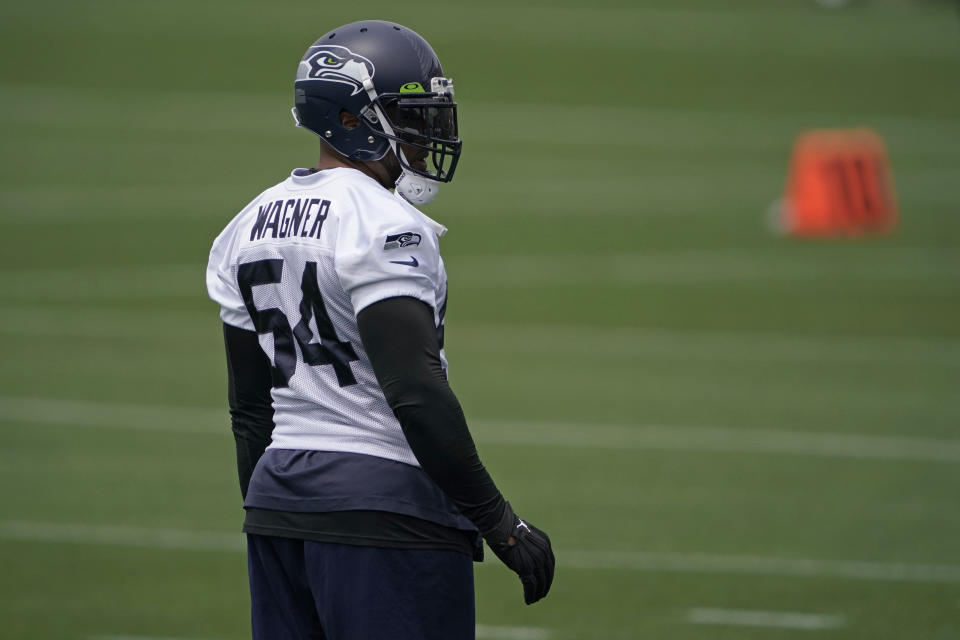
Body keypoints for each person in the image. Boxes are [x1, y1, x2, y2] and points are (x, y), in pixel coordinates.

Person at [205, 20, 555, 640]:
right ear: (350, 117)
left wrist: (278, 516)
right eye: (407, 114)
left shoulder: (244, 227)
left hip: (277, 500)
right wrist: (500, 521)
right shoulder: (386, 222)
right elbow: (414, 390)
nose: (427, 133)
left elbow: (250, 413)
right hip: (385, 505)